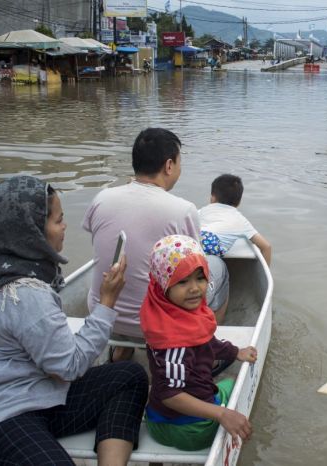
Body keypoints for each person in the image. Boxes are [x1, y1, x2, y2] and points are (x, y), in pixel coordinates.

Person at [0, 176, 148, 465]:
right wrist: (107, 301)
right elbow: (68, 368)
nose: (64, 227)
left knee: (128, 376)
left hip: (31, 391)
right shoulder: (23, 291)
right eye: (58, 221)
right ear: (29, 232)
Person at [83, 128, 228, 362]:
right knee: (217, 267)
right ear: (169, 165)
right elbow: (195, 265)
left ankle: (123, 349)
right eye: (180, 162)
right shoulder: (183, 210)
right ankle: (203, 348)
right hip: (155, 323)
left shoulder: (102, 198)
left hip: (103, 312)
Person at [140, 235, 258, 451]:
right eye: (182, 281)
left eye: (200, 278)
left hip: (165, 416)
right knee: (232, 385)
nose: (195, 288)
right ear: (163, 285)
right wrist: (222, 413)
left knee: (225, 383)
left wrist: (235, 352)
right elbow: (171, 395)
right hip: (187, 429)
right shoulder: (173, 342)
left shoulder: (170, 314)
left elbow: (205, 342)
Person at [199, 174, 272, 267]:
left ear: (212, 197)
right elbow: (266, 247)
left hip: (191, 245)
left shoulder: (202, 210)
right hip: (209, 252)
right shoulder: (240, 220)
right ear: (239, 202)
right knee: (223, 271)